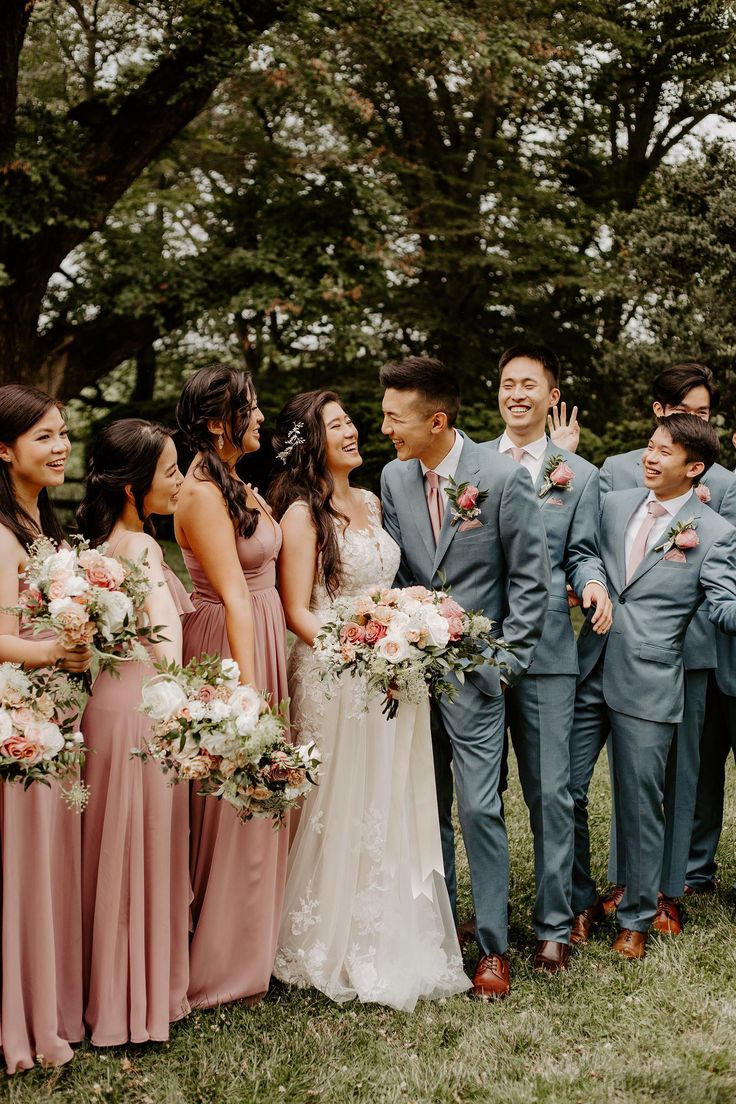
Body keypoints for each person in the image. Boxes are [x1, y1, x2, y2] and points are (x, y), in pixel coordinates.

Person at [271, 390, 469, 1011]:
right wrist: (355, 649)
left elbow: (389, 583)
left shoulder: (374, 500)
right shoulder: (302, 514)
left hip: (391, 672)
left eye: (351, 420)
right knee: (340, 796)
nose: (354, 430)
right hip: (336, 675)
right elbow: (297, 610)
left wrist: (404, 628)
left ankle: (389, 927)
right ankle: (326, 936)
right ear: (311, 440)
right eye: (337, 425)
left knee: (388, 796)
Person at [380, 356, 550, 999]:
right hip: (414, 673)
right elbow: (398, 574)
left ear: (438, 420)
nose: (387, 427)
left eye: (397, 417)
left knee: (480, 808)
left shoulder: (502, 479)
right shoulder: (394, 478)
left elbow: (530, 583)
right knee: (429, 811)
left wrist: (500, 667)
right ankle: (441, 937)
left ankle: (494, 951)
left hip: (477, 677)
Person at [569, 414, 736, 959]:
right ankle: (578, 898)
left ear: (694, 468)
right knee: (560, 790)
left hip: (649, 678)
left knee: (642, 803)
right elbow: (584, 552)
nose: (650, 456)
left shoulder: (713, 534)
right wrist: (592, 582)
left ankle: (638, 915)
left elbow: (722, 603)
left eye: (665, 452)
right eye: (650, 445)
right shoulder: (614, 503)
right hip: (590, 666)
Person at [483, 344, 611, 972]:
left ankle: (553, 926)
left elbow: (584, 551)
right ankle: (487, 922)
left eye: (529, 384)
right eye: (508, 383)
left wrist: (591, 583)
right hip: (477, 650)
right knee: (482, 794)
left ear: (550, 395)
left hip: (551, 655)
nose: (517, 394)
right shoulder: (471, 466)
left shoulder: (579, 474)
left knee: (552, 792)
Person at [175, 364, 289, 1008]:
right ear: (219, 423)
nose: (263, 418)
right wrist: (248, 695)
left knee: (260, 797)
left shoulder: (235, 481)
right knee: (235, 796)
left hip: (261, 630)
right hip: (230, 643)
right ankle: (223, 964)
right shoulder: (201, 492)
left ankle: (257, 946)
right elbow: (232, 598)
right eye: (252, 409)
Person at [76, 419, 191, 1045]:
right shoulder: (143, 549)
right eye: (170, 471)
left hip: (102, 705)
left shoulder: (93, 548)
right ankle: (137, 1003)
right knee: (141, 847)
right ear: (132, 487)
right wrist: (201, 705)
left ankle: (108, 994)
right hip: (144, 708)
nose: (178, 482)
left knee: (107, 850)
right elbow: (168, 647)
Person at [0, 384, 91, 1074]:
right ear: (4, 449)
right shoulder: (2, 534)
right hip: (21, 718)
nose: (61, 447)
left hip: (53, 713)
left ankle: (47, 1007)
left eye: (63, 433)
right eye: (43, 437)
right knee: (24, 871)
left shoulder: (43, 526)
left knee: (47, 866)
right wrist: (60, 649)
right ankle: (20, 1024)